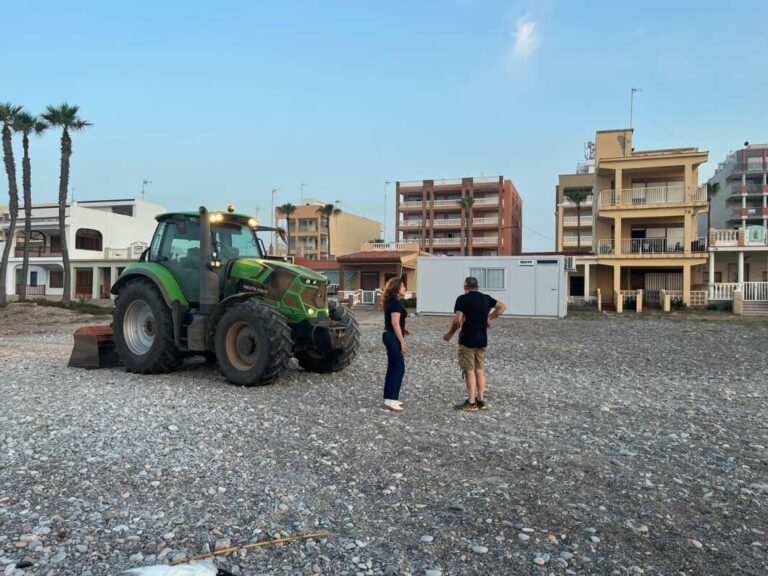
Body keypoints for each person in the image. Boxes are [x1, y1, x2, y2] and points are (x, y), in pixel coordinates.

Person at [443, 276, 507, 412]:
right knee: (480, 370)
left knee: (469, 370)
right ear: (477, 287)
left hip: (467, 339)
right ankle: (481, 401)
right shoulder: (486, 298)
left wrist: (450, 334)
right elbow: (502, 307)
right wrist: (489, 317)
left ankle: (471, 403)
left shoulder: (462, 299)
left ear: (465, 287)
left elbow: (458, 320)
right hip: (482, 339)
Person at [381, 277, 410, 412]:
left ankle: (389, 397)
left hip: (390, 335)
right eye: (402, 286)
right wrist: (402, 342)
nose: (404, 288)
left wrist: (404, 329)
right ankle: (391, 400)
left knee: (393, 367)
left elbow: (395, 322)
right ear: (397, 288)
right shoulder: (395, 304)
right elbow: (394, 323)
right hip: (392, 337)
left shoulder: (393, 302)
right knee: (398, 368)